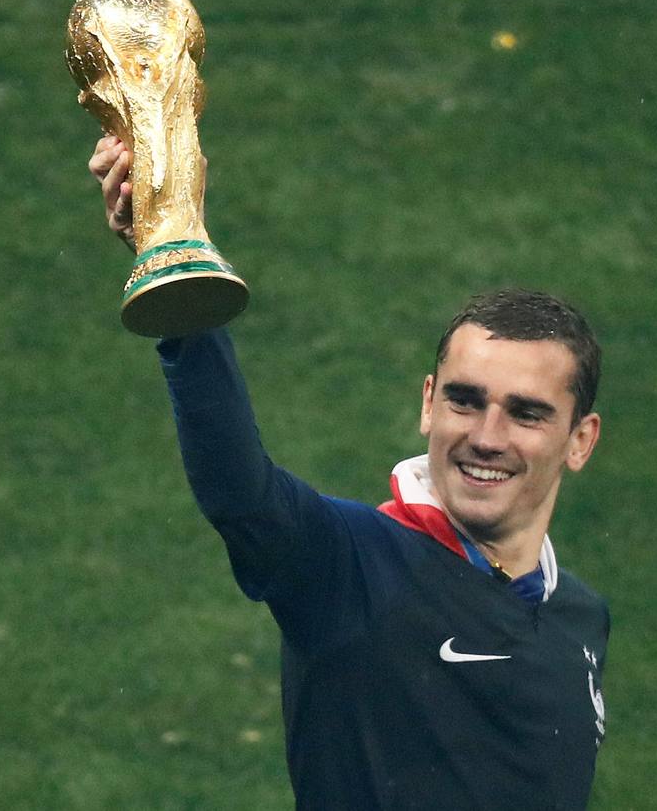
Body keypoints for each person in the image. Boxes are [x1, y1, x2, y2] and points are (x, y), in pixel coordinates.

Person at [90, 136, 610, 810]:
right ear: (428, 403)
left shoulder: (580, 616)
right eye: (465, 400)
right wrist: (176, 262)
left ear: (579, 440)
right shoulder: (351, 567)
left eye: (526, 413)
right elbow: (241, 491)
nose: (486, 437)